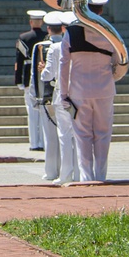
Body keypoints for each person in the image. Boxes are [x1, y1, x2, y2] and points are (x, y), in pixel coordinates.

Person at [58, 0, 119, 182]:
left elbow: (63, 64)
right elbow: (120, 61)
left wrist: (64, 93)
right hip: (104, 89)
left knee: (82, 135)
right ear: (101, 10)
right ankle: (101, 175)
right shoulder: (110, 32)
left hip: (79, 90)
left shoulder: (71, 31)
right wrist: (110, 78)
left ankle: (87, 177)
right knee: (102, 134)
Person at [49, 11, 79, 184]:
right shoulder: (83, 44)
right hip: (80, 92)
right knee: (80, 136)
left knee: (65, 136)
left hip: (63, 93)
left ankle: (65, 174)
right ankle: (80, 174)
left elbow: (49, 75)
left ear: (62, 28)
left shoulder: (56, 47)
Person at [34, 11, 64, 181]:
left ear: (48, 28)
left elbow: (38, 76)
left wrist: (35, 96)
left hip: (48, 95)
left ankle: (51, 171)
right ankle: (67, 169)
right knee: (67, 137)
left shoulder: (41, 46)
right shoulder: (69, 44)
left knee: (50, 136)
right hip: (67, 95)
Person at [15, 10, 48, 151]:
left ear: (31, 22)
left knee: (32, 112)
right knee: (44, 112)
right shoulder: (46, 37)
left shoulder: (23, 38)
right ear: (41, 22)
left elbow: (19, 61)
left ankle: (34, 143)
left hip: (29, 78)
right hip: (44, 77)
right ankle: (45, 143)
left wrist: (18, 81)